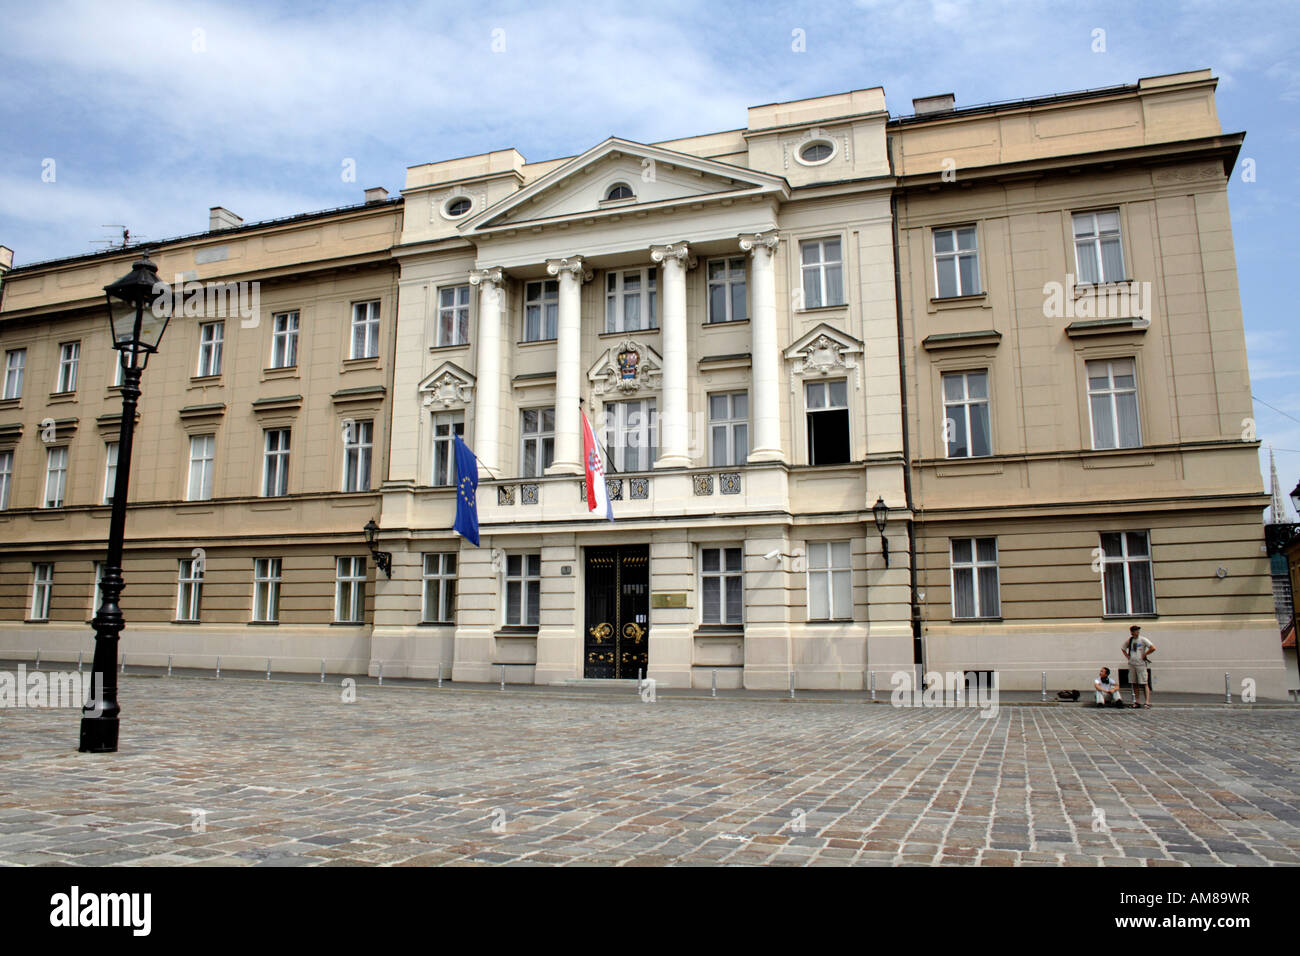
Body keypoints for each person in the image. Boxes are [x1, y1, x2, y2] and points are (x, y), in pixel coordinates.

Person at [1122, 624, 1156, 709]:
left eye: (1137, 630)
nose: (1136, 632)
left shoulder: (1143, 639)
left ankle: (1147, 702)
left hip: (1141, 664)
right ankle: (1137, 701)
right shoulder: (1130, 640)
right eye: (1134, 631)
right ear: (1131, 632)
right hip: (1132, 663)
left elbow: (1152, 648)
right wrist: (1127, 657)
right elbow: (1123, 648)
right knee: (1134, 683)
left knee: (1144, 683)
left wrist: (1145, 654)